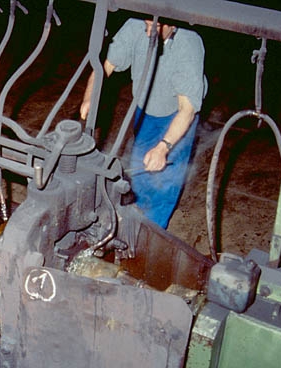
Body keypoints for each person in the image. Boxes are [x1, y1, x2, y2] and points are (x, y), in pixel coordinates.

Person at [80, 18, 207, 228]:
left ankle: (152, 231)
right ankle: (136, 217)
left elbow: (187, 110)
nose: (148, 32)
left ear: (172, 24)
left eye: (155, 27)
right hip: (145, 106)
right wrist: (89, 97)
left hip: (177, 116)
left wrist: (164, 147)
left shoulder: (188, 44)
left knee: (165, 178)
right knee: (140, 166)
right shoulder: (134, 25)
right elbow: (104, 67)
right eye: (147, 25)